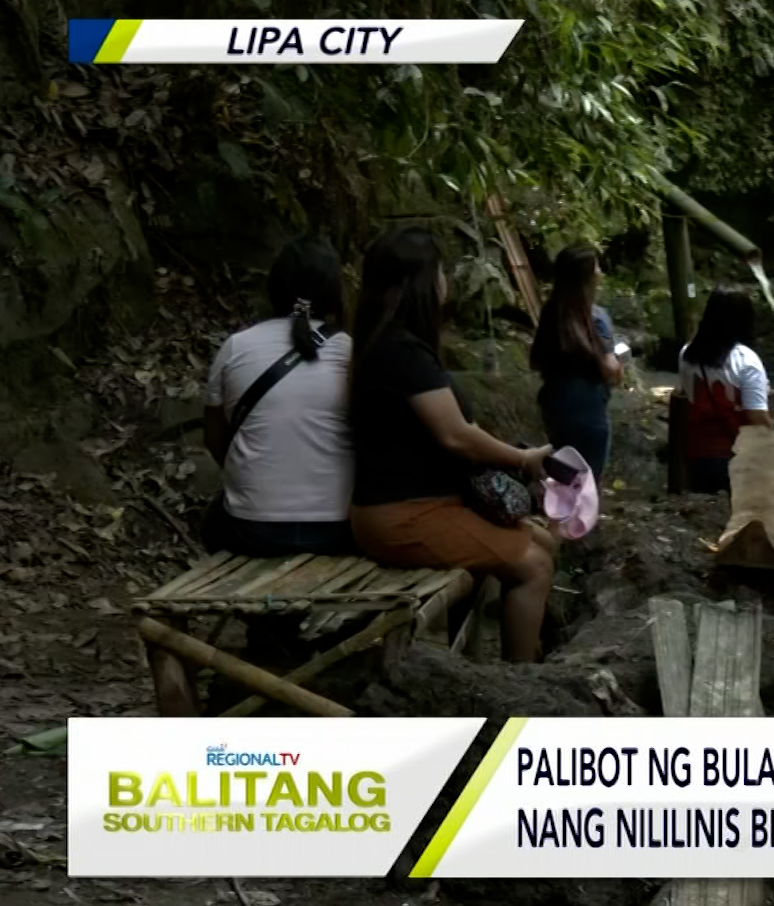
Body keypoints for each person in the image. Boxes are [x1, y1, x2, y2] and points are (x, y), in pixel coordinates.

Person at [346, 227, 557, 663]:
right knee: (535, 567)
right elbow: (456, 434)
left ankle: (526, 648)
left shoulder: (390, 346)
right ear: (422, 283)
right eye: (440, 271)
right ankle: (521, 685)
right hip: (406, 518)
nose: (447, 281)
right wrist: (523, 458)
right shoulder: (401, 352)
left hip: (426, 508)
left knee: (545, 543)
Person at [201, 235, 356, 558]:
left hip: (252, 531)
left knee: (215, 515)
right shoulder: (351, 352)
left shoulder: (236, 346)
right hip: (336, 530)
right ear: (334, 291)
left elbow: (215, 438)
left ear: (274, 288)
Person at [532, 245, 623, 479]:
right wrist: (620, 364)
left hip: (555, 402)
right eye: (597, 268)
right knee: (587, 480)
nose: (601, 272)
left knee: (564, 474)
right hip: (588, 405)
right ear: (588, 277)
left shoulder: (551, 311)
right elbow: (610, 368)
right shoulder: (597, 318)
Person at [675, 286, 771, 495]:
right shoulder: (746, 361)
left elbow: (686, 395)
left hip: (696, 455)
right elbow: (757, 417)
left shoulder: (688, 353)